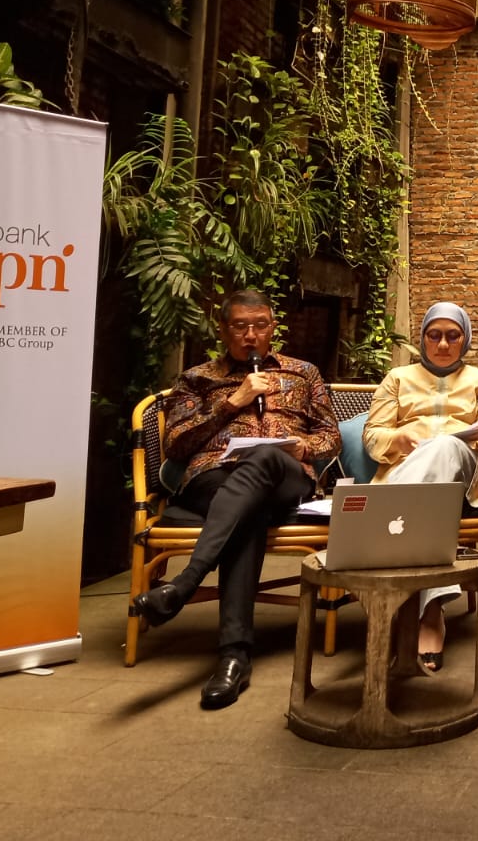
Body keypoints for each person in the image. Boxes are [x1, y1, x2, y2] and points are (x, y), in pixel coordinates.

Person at [130, 290, 339, 709]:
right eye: (241, 326)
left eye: (259, 325)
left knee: (265, 457)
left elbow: (330, 436)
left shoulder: (304, 373)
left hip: (287, 477)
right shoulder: (197, 378)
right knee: (249, 509)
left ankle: (185, 585)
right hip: (213, 478)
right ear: (223, 330)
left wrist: (303, 447)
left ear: (272, 328)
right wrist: (233, 402)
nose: (251, 335)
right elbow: (175, 444)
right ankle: (233, 656)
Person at [362, 301, 478, 672]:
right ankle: (429, 609)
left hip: (464, 477)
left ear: (465, 339)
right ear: (423, 338)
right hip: (406, 469)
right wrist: (398, 438)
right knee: (431, 460)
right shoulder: (398, 378)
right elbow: (373, 436)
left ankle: (397, 602)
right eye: (434, 335)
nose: (443, 344)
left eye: (452, 336)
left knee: (445, 447)